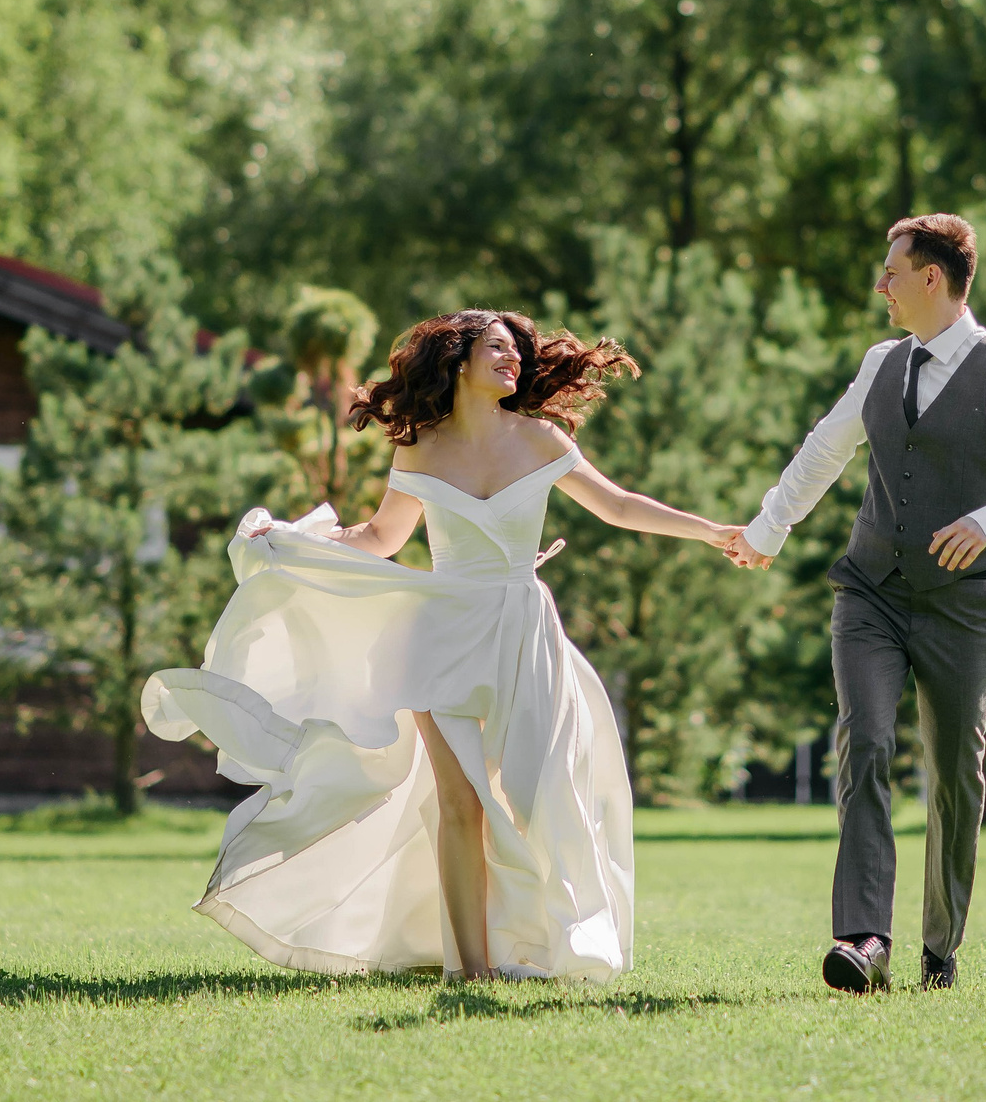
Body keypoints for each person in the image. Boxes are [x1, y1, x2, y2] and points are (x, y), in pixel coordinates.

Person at [142, 310, 743, 982]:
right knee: (460, 806)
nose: (513, 358)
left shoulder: (540, 439)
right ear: (459, 360)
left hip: (521, 630)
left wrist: (713, 531)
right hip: (439, 635)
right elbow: (379, 538)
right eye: (497, 348)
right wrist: (292, 539)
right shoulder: (422, 448)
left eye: (518, 351)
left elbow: (620, 505)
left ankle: (553, 932)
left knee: (537, 791)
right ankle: (472, 967)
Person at [723, 213, 986, 993]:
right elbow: (825, 447)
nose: (880, 284)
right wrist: (768, 529)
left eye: (892, 270)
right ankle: (863, 938)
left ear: (933, 277)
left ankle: (939, 945)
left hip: (961, 607)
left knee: (957, 773)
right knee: (864, 743)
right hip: (871, 593)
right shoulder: (880, 363)